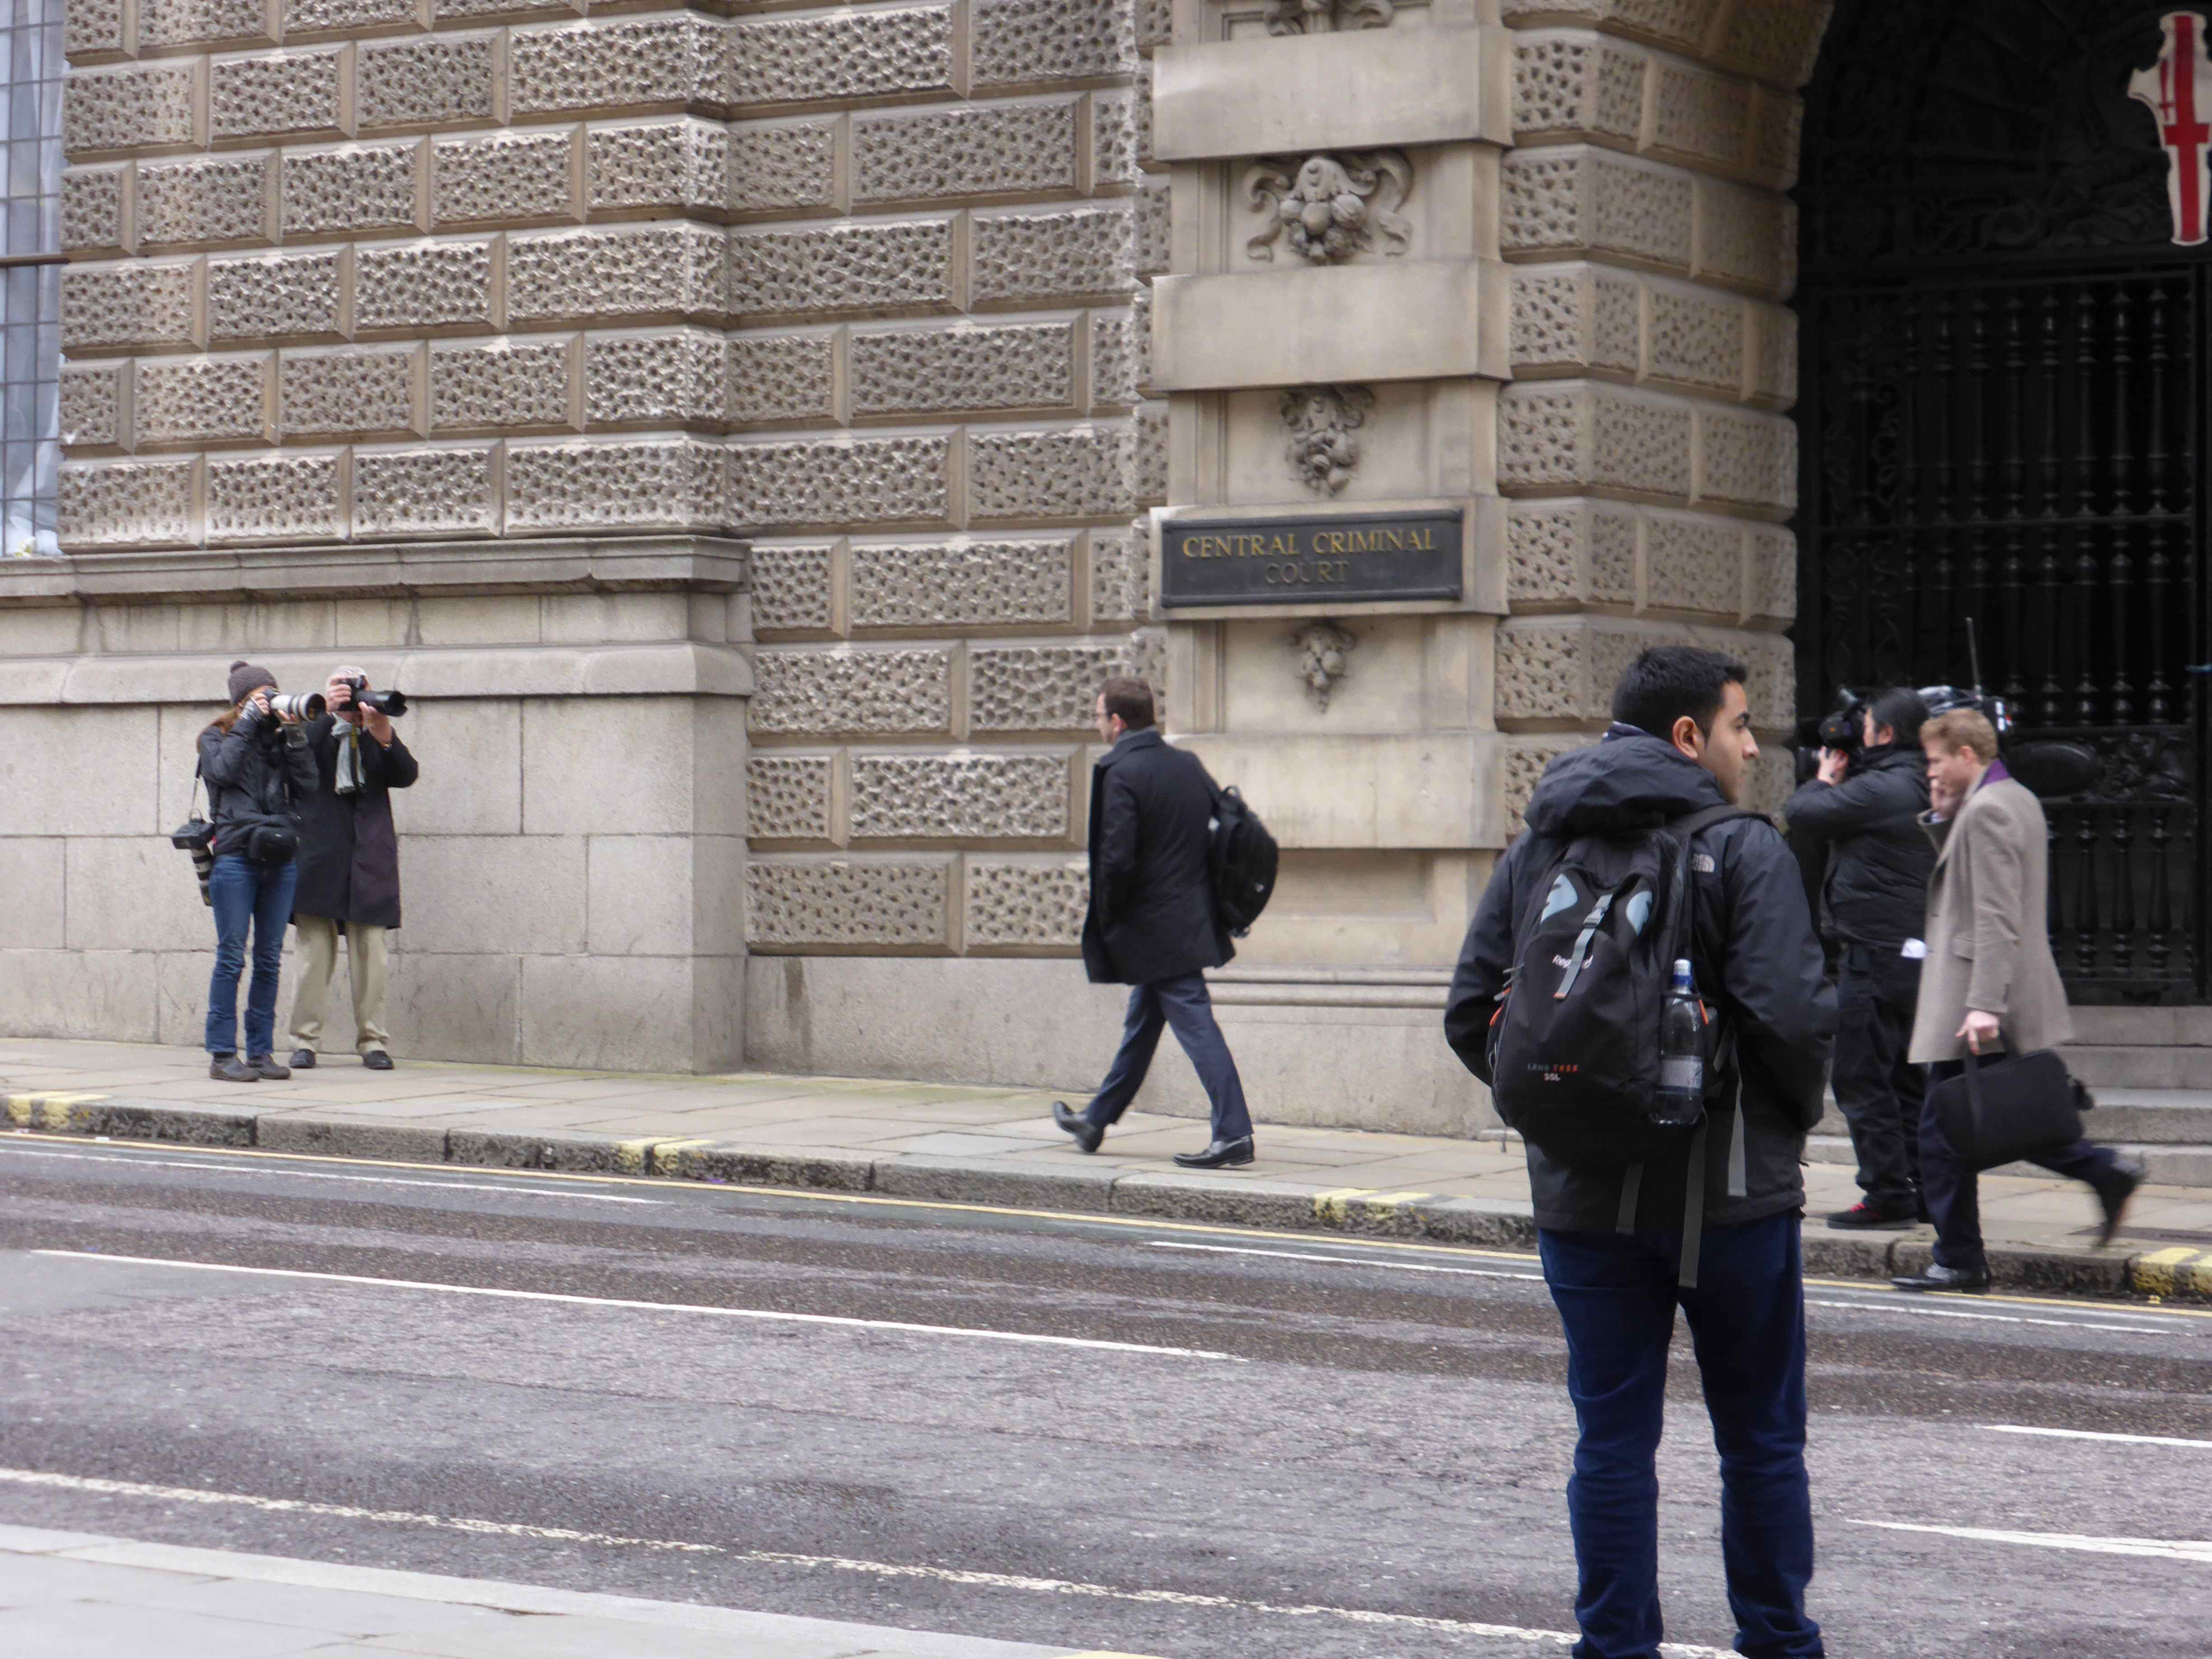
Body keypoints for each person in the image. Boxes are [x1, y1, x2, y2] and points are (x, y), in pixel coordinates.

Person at [1446, 646, 1836, 1659]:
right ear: (1689, 736)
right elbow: (1793, 1019)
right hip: (1733, 1198)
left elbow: (1471, 1013)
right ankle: (1778, 1642)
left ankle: (1615, 1647)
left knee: (1612, 1442)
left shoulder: (1540, 846)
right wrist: (1786, 1121)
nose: (1754, 748)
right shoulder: (1743, 848)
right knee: (1760, 1441)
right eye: (1742, 726)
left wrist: (1564, 1112)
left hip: (1582, 1200)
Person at [1892, 708, 2143, 1293]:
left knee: (1948, 1130)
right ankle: (2103, 1172)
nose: (1930, 771)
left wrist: (1984, 1003)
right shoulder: (2011, 798)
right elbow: (1972, 880)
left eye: (1936, 760)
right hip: (1985, 992)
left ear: (1966, 754)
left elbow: (1996, 914)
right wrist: (1944, 817)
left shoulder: (1989, 809)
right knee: (1993, 1121)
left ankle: (1961, 1258)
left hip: (1976, 997)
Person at [1050, 676, 1256, 1169]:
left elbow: (1117, 859)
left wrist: (1109, 917)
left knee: (1196, 1025)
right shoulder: (1186, 765)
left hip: (1154, 928)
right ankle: (1096, 1120)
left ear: (1118, 722)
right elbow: (1223, 832)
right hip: (1189, 918)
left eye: (1099, 716)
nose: (1098, 725)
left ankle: (1234, 1134)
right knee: (1143, 1022)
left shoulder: (1120, 771)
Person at [1783, 688, 1935, 1228]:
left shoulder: (1882, 788)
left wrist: (1825, 779)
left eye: (1866, 725)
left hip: (1873, 954)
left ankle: (1888, 1192)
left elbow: (1802, 812)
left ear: (1886, 734)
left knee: (1860, 1077)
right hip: (1909, 953)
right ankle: (1925, 1188)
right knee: (1905, 1082)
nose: (1859, 733)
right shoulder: (1920, 780)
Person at [288, 666, 419, 1073]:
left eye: (358, 689)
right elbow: (293, 766)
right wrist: (325, 715)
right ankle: (304, 1042)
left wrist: (382, 732)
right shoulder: (313, 729)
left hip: (369, 858)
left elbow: (407, 775)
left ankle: (373, 1041)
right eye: (344, 690)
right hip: (320, 855)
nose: (352, 698)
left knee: (372, 956)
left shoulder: (375, 734)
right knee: (313, 956)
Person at [198, 660, 319, 1083]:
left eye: (273, 694)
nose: (269, 703)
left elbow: (309, 789)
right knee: (232, 956)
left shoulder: (281, 740)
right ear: (241, 703)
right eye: (259, 698)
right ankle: (222, 1054)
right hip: (235, 859)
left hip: (280, 859)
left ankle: (261, 1052)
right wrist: (248, 722)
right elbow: (222, 772)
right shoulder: (216, 736)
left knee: (268, 959)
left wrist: (296, 736)